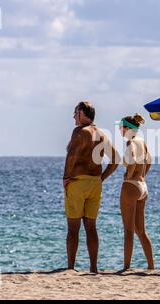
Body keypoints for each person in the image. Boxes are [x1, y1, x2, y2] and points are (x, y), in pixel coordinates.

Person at [63, 101, 119, 273]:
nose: (73, 116)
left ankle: (71, 267)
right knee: (91, 226)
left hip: (78, 182)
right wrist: (101, 178)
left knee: (73, 227)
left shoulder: (80, 131)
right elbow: (116, 160)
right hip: (95, 182)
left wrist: (65, 178)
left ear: (81, 112)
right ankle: (93, 267)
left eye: (75, 112)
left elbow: (71, 156)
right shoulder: (102, 134)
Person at [116, 113, 154, 271]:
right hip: (143, 186)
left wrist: (129, 174)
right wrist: (142, 175)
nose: (120, 130)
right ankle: (151, 266)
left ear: (127, 128)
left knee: (128, 230)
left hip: (131, 185)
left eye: (120, 128)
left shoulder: (131, 142)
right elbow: (150, 161)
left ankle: (126, 267)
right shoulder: (143, 142)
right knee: (141, 230)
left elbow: (131, 157)